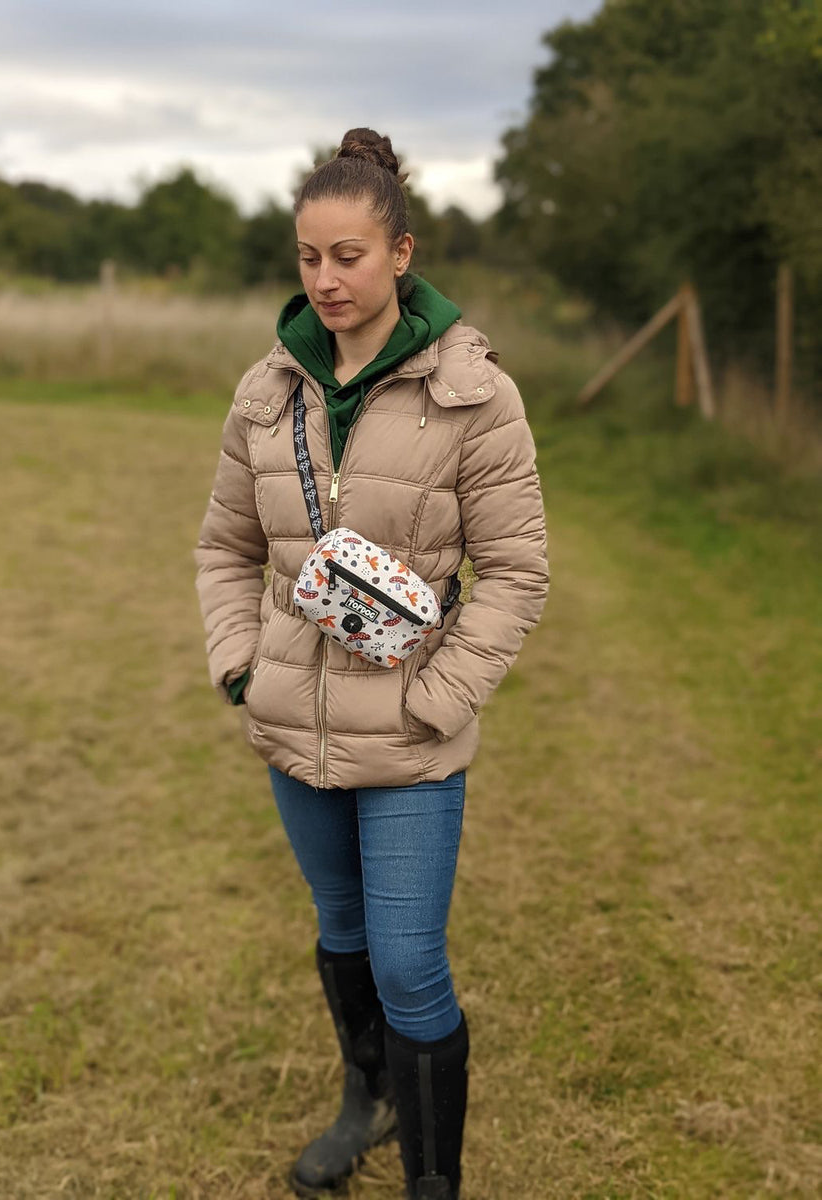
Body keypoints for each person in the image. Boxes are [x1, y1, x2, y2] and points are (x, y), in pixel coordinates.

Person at [193, 128, 549, 1200]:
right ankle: (370, 1102)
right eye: (308, 258)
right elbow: (224, 547)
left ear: (401, 251)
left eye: (348, 256)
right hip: (290, 723)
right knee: (341, 932)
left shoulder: (477, 396)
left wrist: (437, 699)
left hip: (412, 735)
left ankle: (432, 1185)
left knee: (407, 964)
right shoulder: (268, 390)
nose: (326, 279)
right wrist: (241, 667)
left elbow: (519, 573)